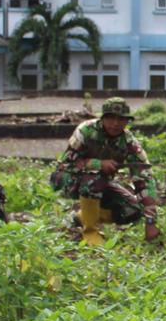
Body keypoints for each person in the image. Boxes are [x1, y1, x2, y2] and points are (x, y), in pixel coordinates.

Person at [51, 98, 160, 244]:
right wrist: (97, 163)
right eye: (110, 118)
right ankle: (90, 232)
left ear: (127, 121)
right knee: (95, 177)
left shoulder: (128, 142)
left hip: (100, 183)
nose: (115, 123)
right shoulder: (86, 130)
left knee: (132, 210)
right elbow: (65, 164)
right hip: (67, 179)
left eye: (121, 119)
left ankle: (81, 217)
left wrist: (151, 222)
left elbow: (144, 177)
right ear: (102, 118)